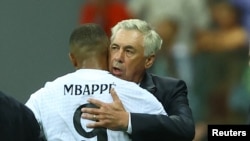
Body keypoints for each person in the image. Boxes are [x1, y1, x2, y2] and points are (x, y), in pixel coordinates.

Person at [25, 23, 167, 141]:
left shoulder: (46, 94)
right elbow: (170, 131)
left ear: (72, 58)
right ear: (107, 54)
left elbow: (18, 128)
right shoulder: (131, 91)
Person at [81, 19, 195, 141]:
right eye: (114, 48)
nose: (118, 57)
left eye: (129, 51)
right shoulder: (88, 85)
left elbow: (185, 128)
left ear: (148, 60)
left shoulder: (169, 89)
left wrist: (128, 120)